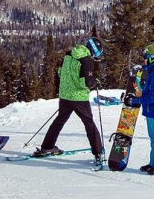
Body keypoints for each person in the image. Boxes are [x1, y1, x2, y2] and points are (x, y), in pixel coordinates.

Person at [34, 39, 105, 168]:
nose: (97, 55)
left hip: (65, 95)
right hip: (78, 97)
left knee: (59, 120)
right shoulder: (87, 60)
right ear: (95, 50)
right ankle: (98, 153)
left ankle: (47, 146)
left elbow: (60, 72)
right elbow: (87, 83)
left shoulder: (69, 54)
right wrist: (95, 84)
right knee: (89, 123)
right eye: (98, 52)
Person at [124, 44, 154, 175]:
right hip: (152, 111)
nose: (144, 59)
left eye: (146, 57)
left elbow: (153, 95)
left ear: (153, 58)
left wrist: (135, 101)